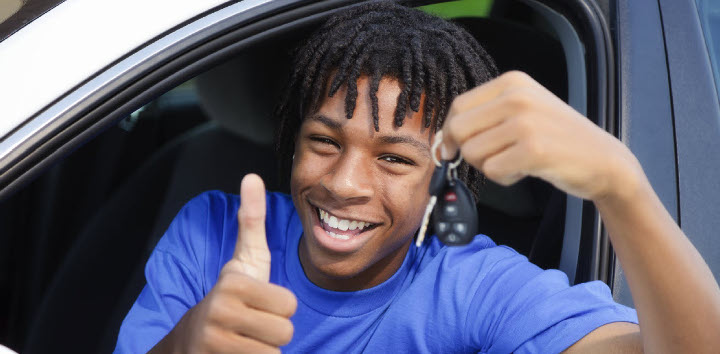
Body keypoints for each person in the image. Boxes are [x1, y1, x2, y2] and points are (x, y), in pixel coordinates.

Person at [115, 2, 720, 353]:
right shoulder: (212, 233)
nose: (346, 183)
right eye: (324, 142)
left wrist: (621, 184)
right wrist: (186, 342)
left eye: (395, 159)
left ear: (442, 177)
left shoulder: (471, 287)